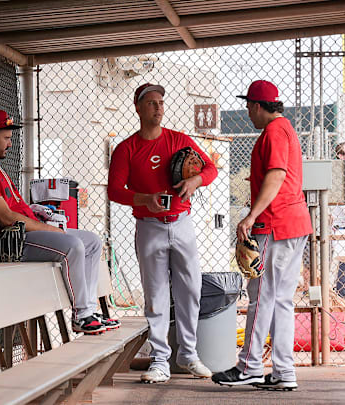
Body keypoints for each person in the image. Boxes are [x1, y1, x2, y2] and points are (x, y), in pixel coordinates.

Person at [0, 109, 120, 335]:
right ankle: (82, 316)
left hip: (28, 234)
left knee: (92, 241)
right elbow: (4, 218)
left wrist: (38, 215)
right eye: (6, 138)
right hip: (11, 242)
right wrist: (50, 229)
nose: (10, 144)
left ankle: (90, 311)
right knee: (72, 245)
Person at [107, 83, 217, 384]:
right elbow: (115, 190)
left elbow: (210, 169)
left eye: (160, 102)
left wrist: (195, 182)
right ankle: (159, 360)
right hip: (149, 226)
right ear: (138, 108)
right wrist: (145, 198)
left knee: (190, 290)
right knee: (155, 295)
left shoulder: (179, 140)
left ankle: (189, 354)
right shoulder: (127, 148)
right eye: (151, 102)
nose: (158, 107)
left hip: (181, 221)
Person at [211, 80, 312, 390]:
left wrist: (252, 215)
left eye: (248, 108)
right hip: (295, 223)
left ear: (256, 106)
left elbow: (277, 174)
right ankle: (284, 372)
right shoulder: (285, 129)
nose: (248, 114)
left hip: (275, 224)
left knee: (261, 297)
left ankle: (249, 366)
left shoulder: (274, 132)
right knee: (281, 300)